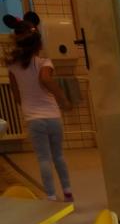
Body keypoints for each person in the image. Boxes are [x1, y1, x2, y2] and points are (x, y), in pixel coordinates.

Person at [5, 15, 72, 201]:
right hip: (53, 116)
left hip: (33, 119)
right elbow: (45, 79)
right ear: (38, 44)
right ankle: (67, 192)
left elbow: (16, 94)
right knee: (58, 156)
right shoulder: (45, 63)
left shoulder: (13, 66)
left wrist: (26, 106)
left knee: (43, 158)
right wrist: (63, 99)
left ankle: (51, 196)